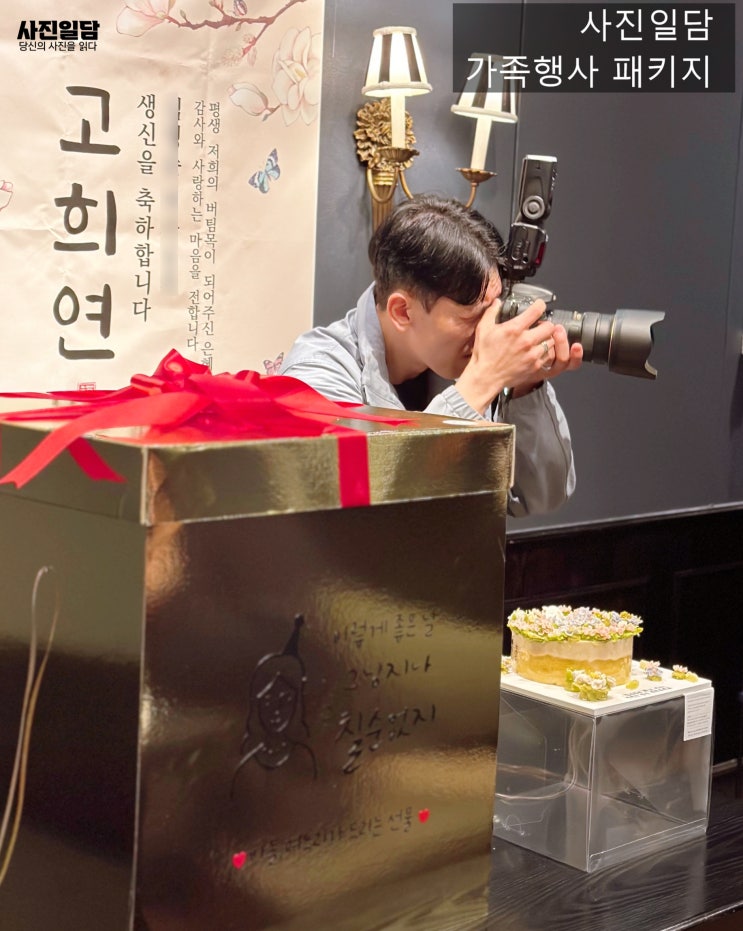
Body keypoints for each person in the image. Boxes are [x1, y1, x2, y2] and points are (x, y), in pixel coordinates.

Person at [280, 195, 582, 516]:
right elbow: (358, 513)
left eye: (494, 311)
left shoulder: (459, 359)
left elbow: (538, 497)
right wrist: (480, 383)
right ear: (402, 311)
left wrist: (525, 389)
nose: (489, 330)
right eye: (473, 317)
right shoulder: (315, 374)